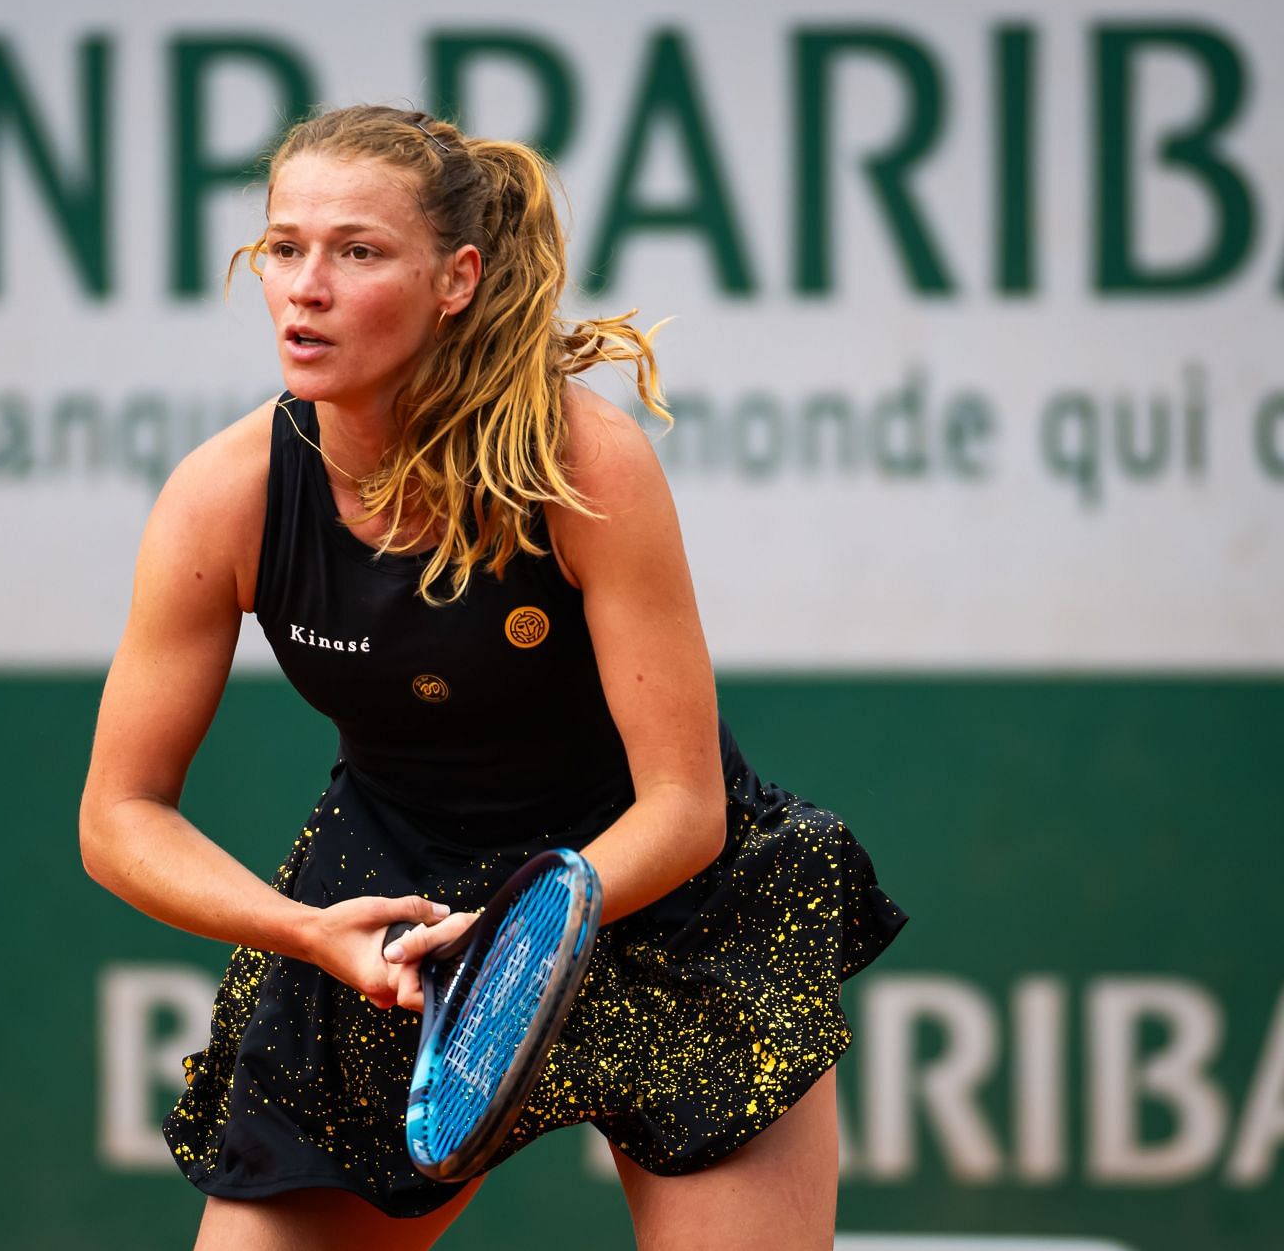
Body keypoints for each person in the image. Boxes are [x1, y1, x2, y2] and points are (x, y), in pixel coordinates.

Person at [78, 104, 906, 1250]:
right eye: (283, 246)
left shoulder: (582, 464)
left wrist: (521, 939)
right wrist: (307, 931)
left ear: (456, 278)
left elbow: (685, 803)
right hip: (399, 923)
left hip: (662, 902)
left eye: (357, 251)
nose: (304, 287)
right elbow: (118, 816)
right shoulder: (225, 494)